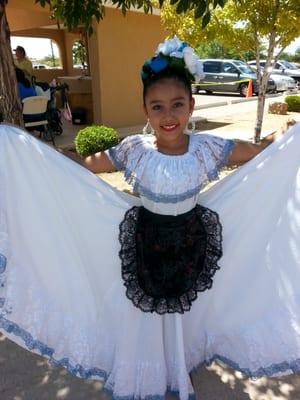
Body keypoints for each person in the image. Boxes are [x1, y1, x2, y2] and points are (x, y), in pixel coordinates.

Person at [0, 37, 299, 400]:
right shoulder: (134, 150)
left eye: (177, 105)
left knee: (184, 312)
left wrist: (285, 141)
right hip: (146, 243)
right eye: (157, 107)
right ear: (145, 111)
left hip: (191, 240)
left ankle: (177, 364)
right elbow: (85, 166)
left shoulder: (207, 147)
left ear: (191, 105)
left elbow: (256, 153)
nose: (168, 116)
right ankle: (149, 372)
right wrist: (34, 153)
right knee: (146, 313)